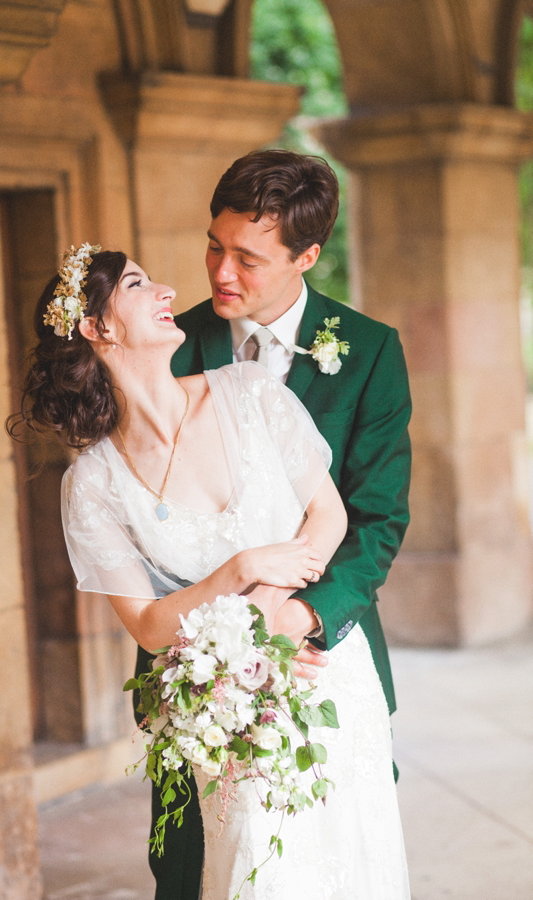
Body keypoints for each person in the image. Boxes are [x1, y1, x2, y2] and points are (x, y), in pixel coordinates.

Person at [11, 242, 410, 899]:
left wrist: (279, 622)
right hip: (224, 701)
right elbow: (146, 626)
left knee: (356, 863)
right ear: (97, 327)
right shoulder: (92, 483)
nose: (167, 290)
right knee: (261, 873)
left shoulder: (250, 391)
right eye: (138, 284)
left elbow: (329, 519)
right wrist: (237, 572)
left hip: (319, 665)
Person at [141, 149, 412, 899]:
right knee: (192, 871)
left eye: (249, 259)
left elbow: (379, 520)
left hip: (324, 657)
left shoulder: (369, 352)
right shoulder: (166, 349)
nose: (221, 272)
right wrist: (209, 637)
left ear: (307, 256)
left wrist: (299, 618)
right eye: (214, 246)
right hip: (192, 674)